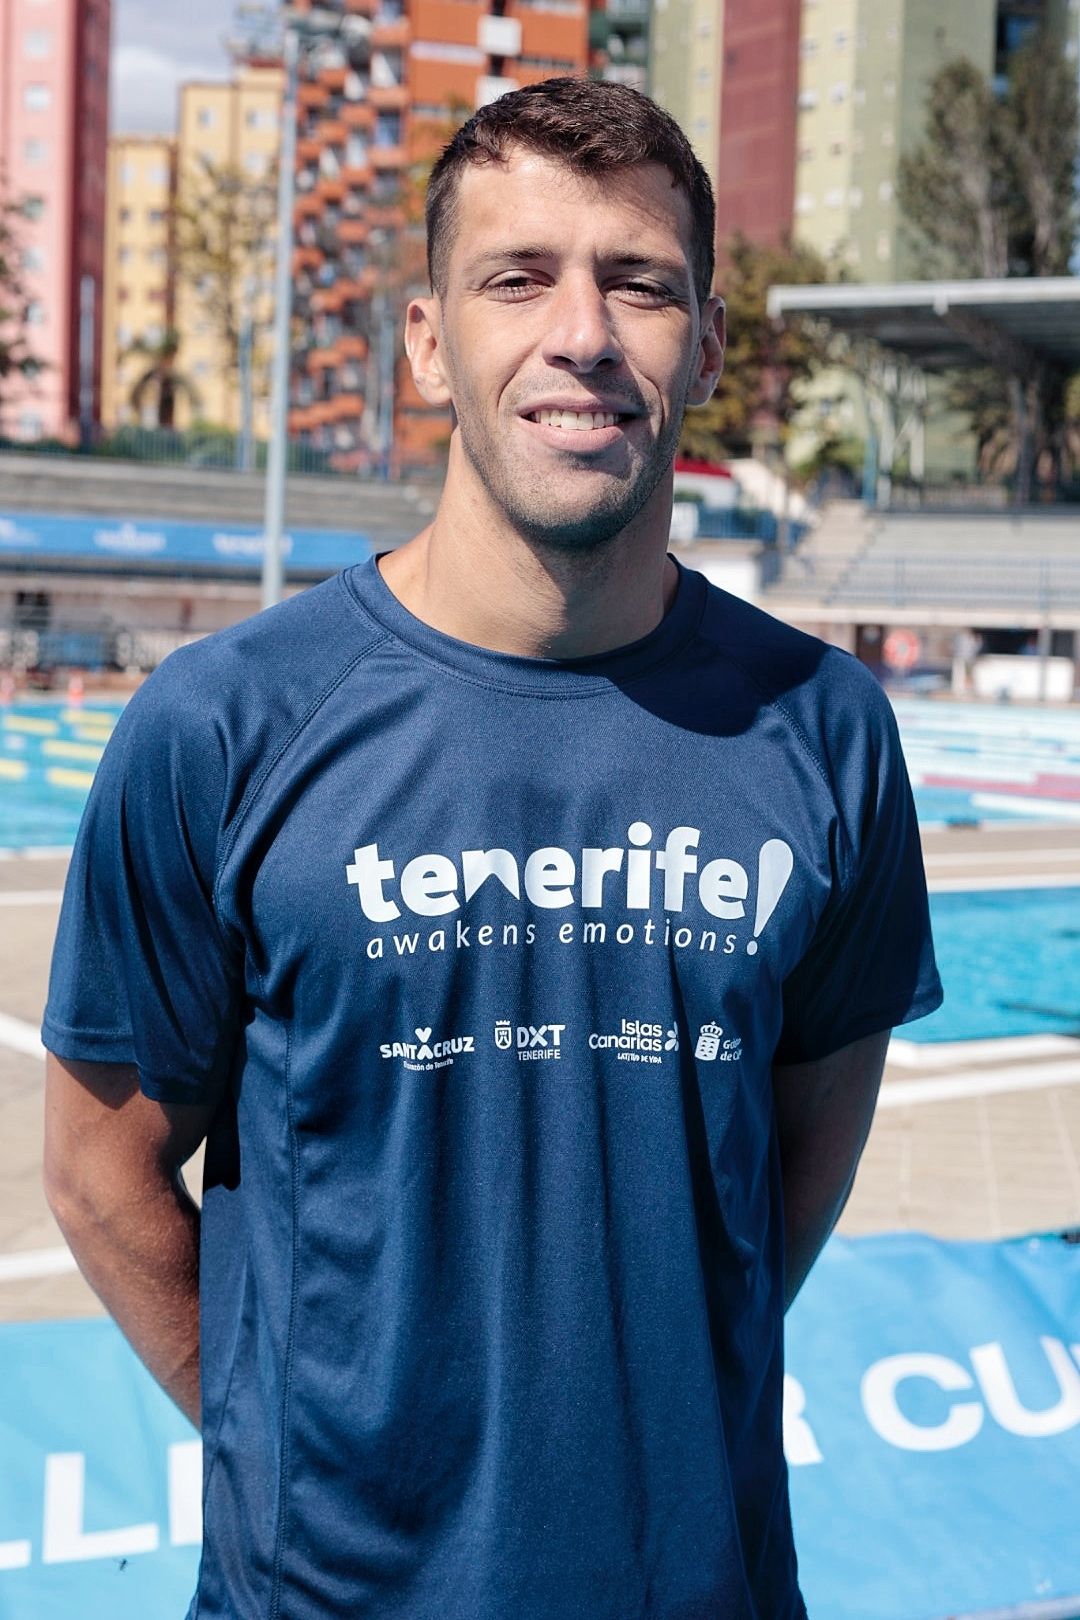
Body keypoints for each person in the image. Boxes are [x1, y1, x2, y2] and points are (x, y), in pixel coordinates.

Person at [42, 78, 942, 1620]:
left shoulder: (824, 728)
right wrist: (292, 1445)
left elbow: (800, 1160)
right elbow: (98, 1173)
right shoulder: (223, 726)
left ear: (706, 348)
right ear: (424, 343)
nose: (582, 332)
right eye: (517, 277)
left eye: (640, 283)